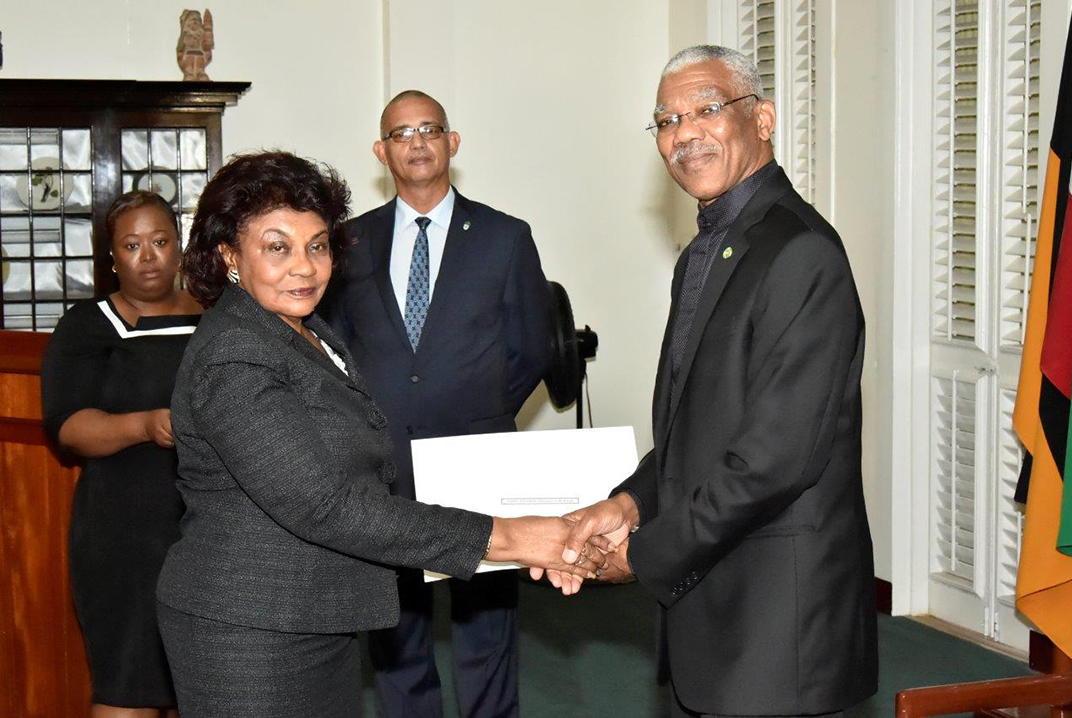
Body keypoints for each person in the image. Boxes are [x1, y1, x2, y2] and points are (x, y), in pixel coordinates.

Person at [155, 151, 597, 716]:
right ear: (229, 256)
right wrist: (512, 537)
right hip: (250, 630)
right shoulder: (235, 354)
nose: (304, 267)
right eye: (277, 246)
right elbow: (325, 505)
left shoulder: (306, 330)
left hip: (312, 616)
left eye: (317, 245)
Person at [552, 46, 878, 717]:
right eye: (666, 120)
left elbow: (774, 460)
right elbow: (696, 430)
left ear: (762, 119)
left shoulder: (801, 252)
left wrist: (643, 554)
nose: (684, 134)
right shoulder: (710, 250)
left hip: (776, 627)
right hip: (714, 610)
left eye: (705, 109)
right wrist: (629, 504)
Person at [320, 90, 551, 718]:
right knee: (396, 629)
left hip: (478, 461)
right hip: (382, 463)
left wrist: (471, 410)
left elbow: (531, 348)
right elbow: (336, 347)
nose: (417, 142)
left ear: (453, 142)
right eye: (401, 133)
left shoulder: (505, 237)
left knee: (486, 627)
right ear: (381, 151)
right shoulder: (348, 243)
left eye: (430, 129)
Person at [41, 190, 202, 717]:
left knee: (204, 689)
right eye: (132, 245)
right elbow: (68, 428)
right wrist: (146, 425)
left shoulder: (219, 320)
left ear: (180, 247)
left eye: (160, 241)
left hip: (209, 532)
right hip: (122, 535)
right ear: (112, 257)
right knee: (126, 687)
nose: (148, 256)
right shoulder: (88, 324)